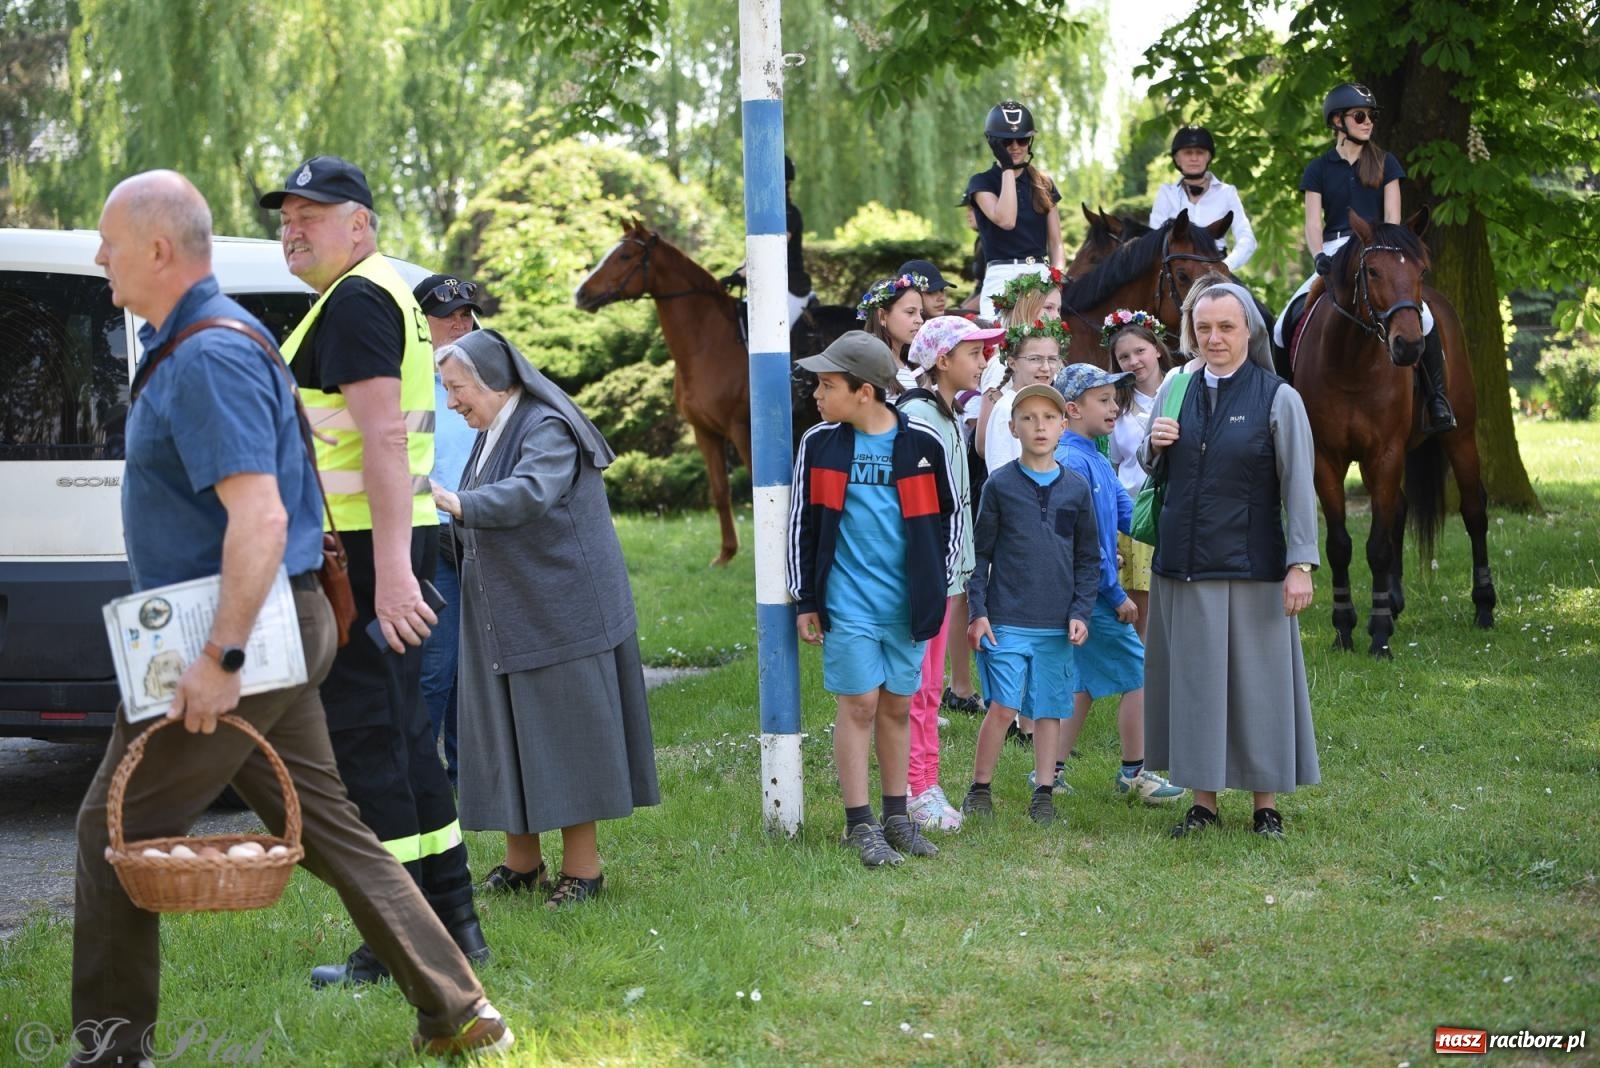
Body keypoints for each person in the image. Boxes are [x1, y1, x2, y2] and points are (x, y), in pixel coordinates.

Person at [71, 170, 511, 1064]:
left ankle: (110, 1050)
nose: (98, 256)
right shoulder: (201, 341)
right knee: (334, 831)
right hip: (270, 626)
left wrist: (221, 656)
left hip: (236, 635)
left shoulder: (208, 355)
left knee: (105, 831)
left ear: (158, 249)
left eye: (110, 240)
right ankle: (460, 1011)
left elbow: (264, 516)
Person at [258, 155, 485, 985]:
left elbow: (385, 438)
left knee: (366, 743)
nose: (292, 229)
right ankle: (453, 920)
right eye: (285, 217)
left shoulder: (356, 300)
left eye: (311, 215)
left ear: (360, 224)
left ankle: (394, 943)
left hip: (363, 549)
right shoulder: (378, 292)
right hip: (389, 538)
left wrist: (389, 573)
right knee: (403, 736)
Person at [430, 329, 659, 907]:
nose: (452, 402)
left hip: (562, 612)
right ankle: (522, 864)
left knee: (565, 737)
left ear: (494, 383)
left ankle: (584, 871)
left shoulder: (546, 428)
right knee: (506, 733)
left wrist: (455, 503)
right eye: (447, 390)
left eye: (458, 389)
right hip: (507, 611)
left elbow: (530, 493)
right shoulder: (491, 429)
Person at [1141, 282, 1321, 839]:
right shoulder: (1175, 387)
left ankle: (1265, 806)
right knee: (1196, 685)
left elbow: (1297, 488)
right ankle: (1203, 804)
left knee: (1259, 687)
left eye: (1226, 327)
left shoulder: (1278, 397)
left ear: (1250, 332)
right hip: (1185, 565)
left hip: (1255, 568)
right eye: (1203, 329)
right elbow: (1154, 473)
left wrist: (1300, 565)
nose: (1213, 339)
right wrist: (1155, 445)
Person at [788, 331, 958, 866]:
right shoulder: (819, 444)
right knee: (858, 704)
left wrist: (936, 591)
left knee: (898, 706)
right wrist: (805, 599)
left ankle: (897, 816)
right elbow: (803, 526)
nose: (817, 393)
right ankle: (859, 824)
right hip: (848, 606)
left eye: (828, 384)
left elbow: (947, 525)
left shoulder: (923, 447)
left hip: (906, 608)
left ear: (865, 391)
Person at [1276, 82, 1455, 433]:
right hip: (1332, 251)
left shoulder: (1387, 163)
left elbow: (1392, 220)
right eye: (1360, 116)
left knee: (1428, 320)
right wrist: (1318, 257)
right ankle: (1283, 405)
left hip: (1379, 249)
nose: (1368, 121)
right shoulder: (1318, 168)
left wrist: (1387, 256)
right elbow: (1313, 223)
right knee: (1284, 322)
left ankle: (1438, 400)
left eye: (1372, 115)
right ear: (1338, 121)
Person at [961, 384, 1098, 826]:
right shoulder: (1000, 485)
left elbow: (1087, 558)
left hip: (1056, 624)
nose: (1039, 426)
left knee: (1047, 710)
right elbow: (979, 555)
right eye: (1029, 418)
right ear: (1012, 427)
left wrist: (1080, 612)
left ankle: (1043, 791)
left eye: (1049, 417)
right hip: (1006, 619)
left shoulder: (1076, 489)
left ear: (1064, 425)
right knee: (1003, 705)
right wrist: (977, 612)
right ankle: (980, 787)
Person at [1051, 363, 1185, 806]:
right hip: (1090, 593)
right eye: (1103, 400)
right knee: (1139, 672)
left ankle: (1047, 771)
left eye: (1115, 399)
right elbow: (1084, 542)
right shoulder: (1072, 461)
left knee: (1085, 683)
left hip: (1089, 590)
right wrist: (1115, 593)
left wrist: (1173, 532)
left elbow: (1127, 513)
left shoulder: (1094, 453)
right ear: (1072, 409)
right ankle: (1135, 773)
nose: (1115, 407)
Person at [898, 316, 1003, 832]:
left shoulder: (945, 416)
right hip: (927, 579)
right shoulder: (918, 421)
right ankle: (917, 789)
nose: (983, 362)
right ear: (942, 361)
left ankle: (924, 781)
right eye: (974, 353)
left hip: (946, 577)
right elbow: (920, 513)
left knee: (931, 687)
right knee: (919, 688)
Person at [414, 273, 483, 787]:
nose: (459, 324)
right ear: (423, 322)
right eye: (447, 316)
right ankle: (420, 776)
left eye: (465, 314)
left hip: (482, 528)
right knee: (438, 665)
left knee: (475, 665)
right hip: (432, 530)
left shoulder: (490, 371)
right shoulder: (409, 378)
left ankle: (465, 776)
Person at [1101, 310, 1176, 642]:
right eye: (1123, 357)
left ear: (1157, 349)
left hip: (1177, 507)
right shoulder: (1118, 406)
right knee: (1142, 607)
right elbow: (1115, 464)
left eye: (1139, 351)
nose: (1133, 361)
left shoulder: (1182, 390)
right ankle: (1143, 679)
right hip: (1137, 513)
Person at [965, 100, 1066, 321]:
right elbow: (1006, 220)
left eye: (1022, 139)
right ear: (994, 144)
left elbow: (1056, 242)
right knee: (1000, 350)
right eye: (1006, 142)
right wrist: (1007, 168)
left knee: (1045, 347)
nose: (1015, 147)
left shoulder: (1043, 183)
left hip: (1040, 273)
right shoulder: (981, 182)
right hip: (1001, 275)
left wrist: (1055, 278)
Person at [976, 267, 1064, 464]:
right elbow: (983, 444)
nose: (1056, 316)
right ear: (1026, 307)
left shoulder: (1052, 362)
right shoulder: (1001, 365)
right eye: (1049, 308)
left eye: (1059, 309)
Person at [1148, 125, 1257, 272]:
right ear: (1177, 159)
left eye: (1200, 152)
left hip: (1216, 265)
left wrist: (1226, 265)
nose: (1194, 158)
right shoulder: (1166, 194)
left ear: (1209, 157)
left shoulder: (1227, 193)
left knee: (1246, 295)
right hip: (1177, 272)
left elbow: (1247, 239)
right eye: (1188, 153)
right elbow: (1154, 240)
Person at [856, 273, 926, 393]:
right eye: (910, 312)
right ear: (882, 316)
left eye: (920, 312)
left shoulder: (915, 367)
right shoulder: (868, 370)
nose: (920, 320)